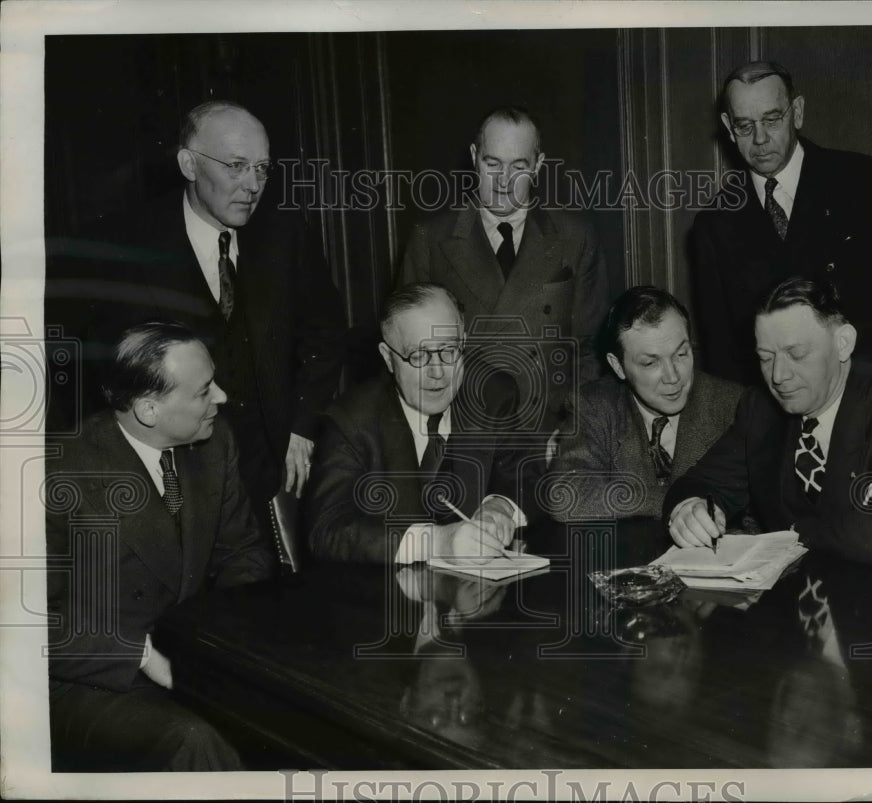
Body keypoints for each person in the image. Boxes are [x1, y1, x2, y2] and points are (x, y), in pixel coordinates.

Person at [61, 100, 346, 548]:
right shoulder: (127, 244)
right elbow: (101, 372)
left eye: (263, 168)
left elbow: (326, 334)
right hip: (176, 473)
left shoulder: (285, 235)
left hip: (272, 464)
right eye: (236, 166)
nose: (253, 185)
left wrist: (302, 426)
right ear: (188, 164)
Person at [46, 321, 274, 771]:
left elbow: (242, 552)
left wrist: (223, 647)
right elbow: (30, 621)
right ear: (149, 409)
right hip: (96, 674)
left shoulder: (213, 443)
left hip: (190, 652)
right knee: (193, 743)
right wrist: (144, 655)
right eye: (203, 391)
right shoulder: (57, 472)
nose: (222, 398)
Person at [663, 277, 872, 567]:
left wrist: (792, 534)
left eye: (796, 354)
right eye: (765, 358)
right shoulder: (761, 409)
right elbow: (700, 483)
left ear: (843, 343)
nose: (778, 375)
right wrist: (689, 509)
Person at [691, 61, 872, 384]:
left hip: (867, 400)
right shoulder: (714, 223)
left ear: (797, 111)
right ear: (728, 126)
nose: (760, 139)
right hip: (773, 414)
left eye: (772, 119)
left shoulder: (863, 182)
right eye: (745, 126)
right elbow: (722, 357)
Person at [397, 106, 610, 431]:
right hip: (463, 431)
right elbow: (409, 350)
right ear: (474, 157)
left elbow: (589, 352)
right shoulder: (431, 239)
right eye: (492, 164)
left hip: (547, 431)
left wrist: (571, 432)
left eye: (518, 166)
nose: (503, 181)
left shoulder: (574, 237)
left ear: (538, 165)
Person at [305, 282, 541, 563]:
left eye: (449, 351)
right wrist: (436, 542)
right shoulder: (350, 421)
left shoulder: (491, 393)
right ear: (388, 358)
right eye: (418, 356)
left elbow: (529, 475)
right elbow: (326, 531)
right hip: (387, 596)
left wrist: (500, 508)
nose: (437, 373)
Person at [544, 286, 742, 520]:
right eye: (650, 363)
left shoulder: (735, 405)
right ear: (618, 366)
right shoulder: (594, 406)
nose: (673, 377)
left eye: (681, 354)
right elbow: (566, 495)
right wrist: (677, 502)